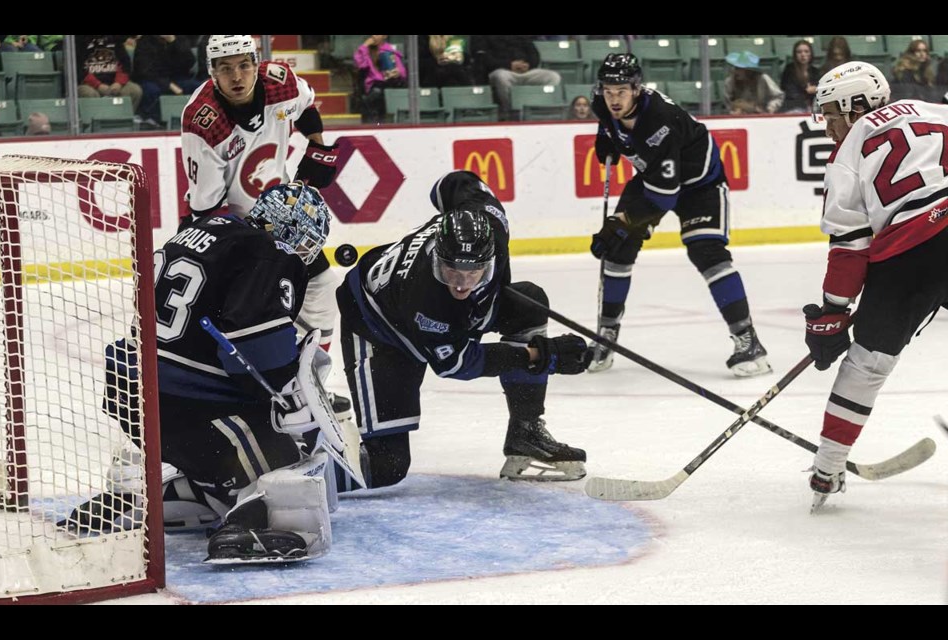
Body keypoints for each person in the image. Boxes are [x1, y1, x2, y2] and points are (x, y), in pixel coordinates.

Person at [68, 182, 352, 564]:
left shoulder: (201, 230)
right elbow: (254, 352)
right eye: (304, 244)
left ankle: (162, 493)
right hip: (182, 404)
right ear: (288, 230)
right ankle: (244, 528)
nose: (303, 255)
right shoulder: (269, 252)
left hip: (130, 390)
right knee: (286, 459)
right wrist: (285, 393)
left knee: (237, 450)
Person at [335, 170, 591, 489]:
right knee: (387, 466)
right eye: (451, 270)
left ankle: (525, 431)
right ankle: (297, 474)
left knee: (529, 302)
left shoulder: (491, 217)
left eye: (474, 272)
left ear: (491, 255)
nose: (461, 283)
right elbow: (457, 364)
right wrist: (543, 356)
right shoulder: (427, 298)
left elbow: (451, 182)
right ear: (438, 255)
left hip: (435, 314)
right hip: (380, 327)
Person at [803, 61, 948, 512]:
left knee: (866, 364)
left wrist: (831, 313)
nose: (825, 124)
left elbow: (849, 246)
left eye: (829, 113)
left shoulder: (846, 155)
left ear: (857, 106)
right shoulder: (937, 109)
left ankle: (828, 469)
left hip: (911, 251)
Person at [180, 35, 350, 417]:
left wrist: (317, 146)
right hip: (229, 229)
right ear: (211, 72)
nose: (236, 76)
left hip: (281, 221)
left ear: (256, 63)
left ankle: (311, 386)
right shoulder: (202, 118)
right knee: (248, 311)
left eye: (243, 65)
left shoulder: (281, 81)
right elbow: (207, 206)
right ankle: (243, 394)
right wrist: (247, 248)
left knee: (322, 285)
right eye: (225, 69)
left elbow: (305, 106)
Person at [587, 53, 771, 376]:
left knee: (707, 252)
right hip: (654, 177)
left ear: (636, 89)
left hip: (701, 185)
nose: (613, 99)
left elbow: (663, 197)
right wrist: (607, 139)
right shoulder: (603, 105)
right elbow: (612, 126)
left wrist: (620, 224)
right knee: (619, 249)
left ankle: (748, 341)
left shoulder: (659, 121)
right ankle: (606, 337)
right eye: (608, 90)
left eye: (621, 92)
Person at [722, 50, 784, 115]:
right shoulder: (729, 82)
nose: (735, 71)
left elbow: (778, 96)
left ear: (749, 71)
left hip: (761, 115)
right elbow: (727, 104)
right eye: (735, 68)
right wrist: (732, 111)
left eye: (739, 68)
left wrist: (771, 108)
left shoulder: (763, 78)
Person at [779, 39, 818, 113]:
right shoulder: (789, 70)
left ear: (811, 54)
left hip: (813, 107)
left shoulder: (815, 71)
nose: (803, 55)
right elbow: (790, 92)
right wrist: (807, 90)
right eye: (799, 52)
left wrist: (816, 89)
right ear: (795, 54)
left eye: (806, 51)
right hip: (793, 107)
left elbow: (820, 89)